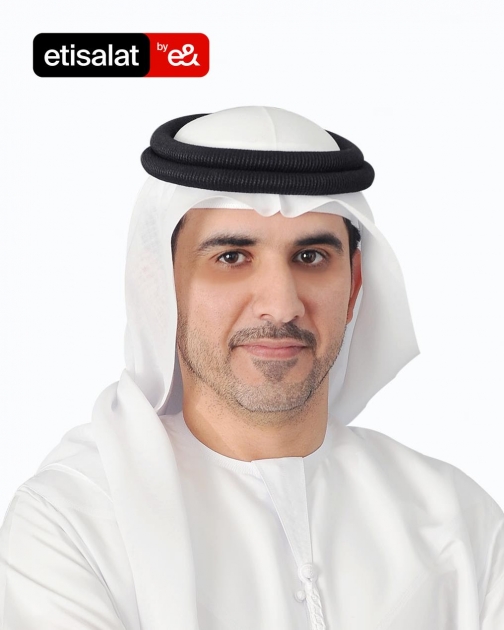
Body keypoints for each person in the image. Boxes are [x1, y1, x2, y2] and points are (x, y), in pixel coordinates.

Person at [0, 106, 502, 629]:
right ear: (160, 286)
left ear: (354, 286)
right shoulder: (73, 522)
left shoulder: (459, 522)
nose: (281, 306)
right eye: (232, 257)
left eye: (311, 257)